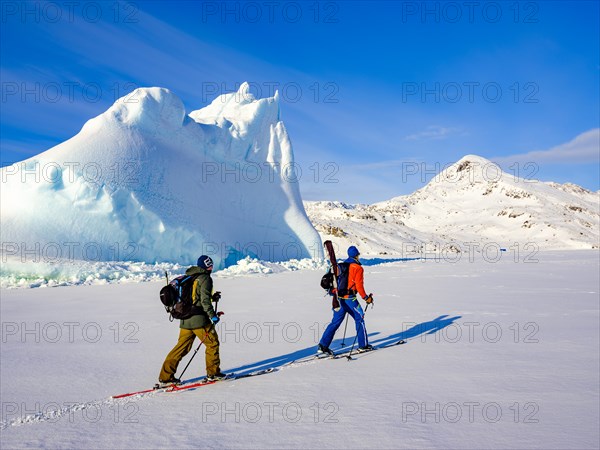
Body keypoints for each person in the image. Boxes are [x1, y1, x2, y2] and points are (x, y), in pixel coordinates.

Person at [158, 255, 226, 386]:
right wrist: (213, 316)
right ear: (206, 266)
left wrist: (213, 297)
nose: (211, 267)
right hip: (199, 320)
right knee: (212, 344)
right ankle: (213, 374)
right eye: (210, 265)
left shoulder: (190, 277)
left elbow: (196, 297)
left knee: (181, 348)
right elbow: (204, 301)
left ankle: (165, 377)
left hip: (185, 320)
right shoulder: (205, 278)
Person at [318, 246, 374, 355]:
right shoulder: (357, 268)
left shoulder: (340, 266)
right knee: (360, 318)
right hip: (350, 300)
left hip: (338, 299)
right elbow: (359, 286)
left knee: (335, 322)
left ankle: (323, 346)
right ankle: (363, 345)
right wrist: (366, 298)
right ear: (356, 255)